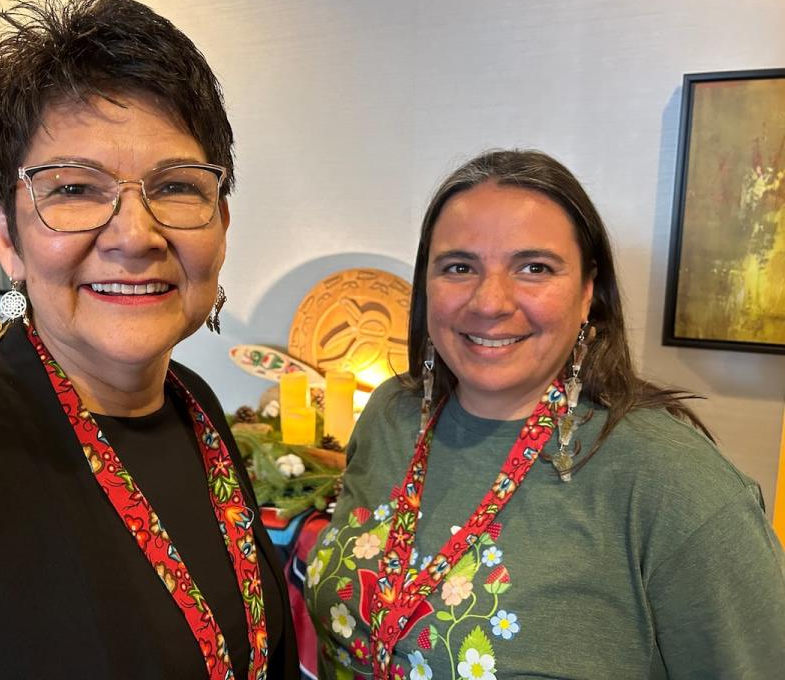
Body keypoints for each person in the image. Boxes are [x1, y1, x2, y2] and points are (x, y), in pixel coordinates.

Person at [0, 0, 297, 679]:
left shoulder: (194, 408)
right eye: (74, 189)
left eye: (176, 187)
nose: (136, 236)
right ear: (4, 236)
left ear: (221, 225)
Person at [305, 150, 785, 679]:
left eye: (534, 268)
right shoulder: (389, 415)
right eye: (459, 267)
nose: (490, 302)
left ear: (587, 294)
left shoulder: (673, 482)